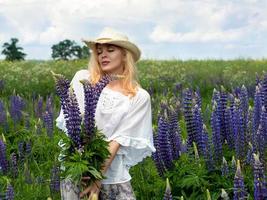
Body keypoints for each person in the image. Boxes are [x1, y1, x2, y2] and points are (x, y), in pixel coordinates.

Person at [55, 27, 156, 200]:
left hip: (112, 177)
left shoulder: (139, 96)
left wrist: (97, 178)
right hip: (77, 172)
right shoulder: (83, 79)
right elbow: (73, 125)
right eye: (99, 51)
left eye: (110, 50)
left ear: (125, 55)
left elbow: (118, 140)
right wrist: (83, 167)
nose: (103, 55)